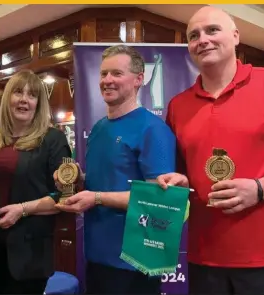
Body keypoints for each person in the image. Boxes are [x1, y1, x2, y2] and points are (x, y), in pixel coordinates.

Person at [157, 6, 264, 295]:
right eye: (194, 35)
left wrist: (259, 188)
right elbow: (187, 173)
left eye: (213, 30)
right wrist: (180, 181)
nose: (203, 39)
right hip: (205, 258)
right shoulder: (178, 105)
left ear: (236, 36)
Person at [54, 45, 177, 294]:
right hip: (96, 256)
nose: (107, 80)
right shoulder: (99, 128)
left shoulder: (153, 129)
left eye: (117, 74)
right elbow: (107, 180)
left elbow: (157, 201)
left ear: (139, 79)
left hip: (135, 264)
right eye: (103, 74)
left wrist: (97, 198)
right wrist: (77, 180)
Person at [0, 70, 71, 294]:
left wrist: (22, 210)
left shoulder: (52, 139)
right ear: (7, 97)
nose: (24, 100)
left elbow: (64, 197)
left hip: (29, 254)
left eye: (32, 95)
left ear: (38, 103)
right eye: (18, 92)